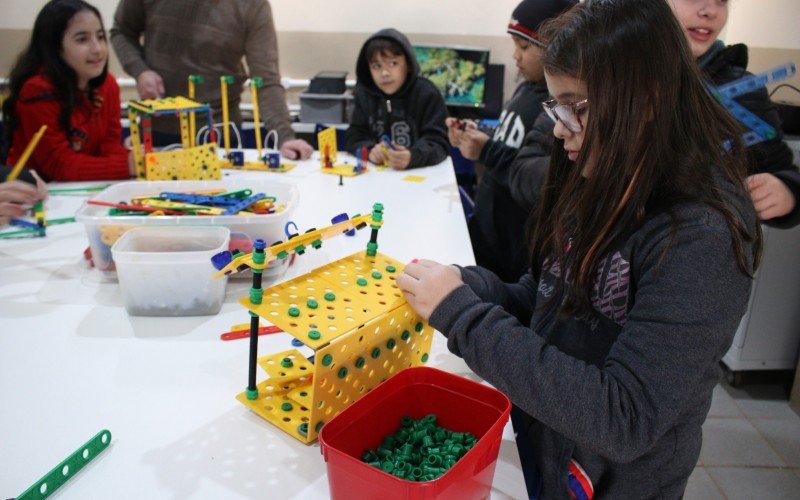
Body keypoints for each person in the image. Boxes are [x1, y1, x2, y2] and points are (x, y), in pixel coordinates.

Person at [396, 0, 761, 498]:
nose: (559, 128)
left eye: (576, 107)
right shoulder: (599, 175)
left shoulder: (702, 235)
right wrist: (468, 285)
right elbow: (545, 297)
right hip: (546, 442)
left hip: (613, 481)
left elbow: (624, 418)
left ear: (647, 97)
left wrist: (463, 317)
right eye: (554, 107)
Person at [449, 0, 576, 282]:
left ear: (555, 46)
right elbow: (512, 139)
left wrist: (486, 150)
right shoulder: (524, 89)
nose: (515, 56)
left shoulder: (557, 107)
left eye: (524, 46)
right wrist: (479, 132)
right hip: (489, 230)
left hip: (516, 245)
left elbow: (536, 177)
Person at [110, 0, 313, 161]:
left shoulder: (253, 6)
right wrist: (140, 71)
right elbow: (121, 32)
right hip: (157, 132)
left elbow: (266, 80)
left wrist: (285, 136)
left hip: (219, 135)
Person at [668, 0, 800, 228]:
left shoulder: (745, 89)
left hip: (701, 245)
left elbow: (780, 168)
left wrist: (785, 190)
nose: (709, 11)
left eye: (721, 1)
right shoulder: (613, 72)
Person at [2, 0, 133, 182]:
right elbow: (59, 164)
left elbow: (108, 147)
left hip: (82, 188)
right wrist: (131, 165)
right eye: (82, 39)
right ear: (55, 48)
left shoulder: (108, 85)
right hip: (33, 194)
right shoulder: (37, 90)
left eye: (101, 37)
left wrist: (136, 159)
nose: (98, 49)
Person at [345, 29, 449, 170]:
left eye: (393, 63)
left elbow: (439, 142)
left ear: (408, 65)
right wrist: (370, 151)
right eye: (376, 66)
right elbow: (354, 137)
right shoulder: (363, 94)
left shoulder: (427, 93)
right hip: (375, 178)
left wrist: (413, 156)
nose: (385, 73)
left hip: (421, 177)